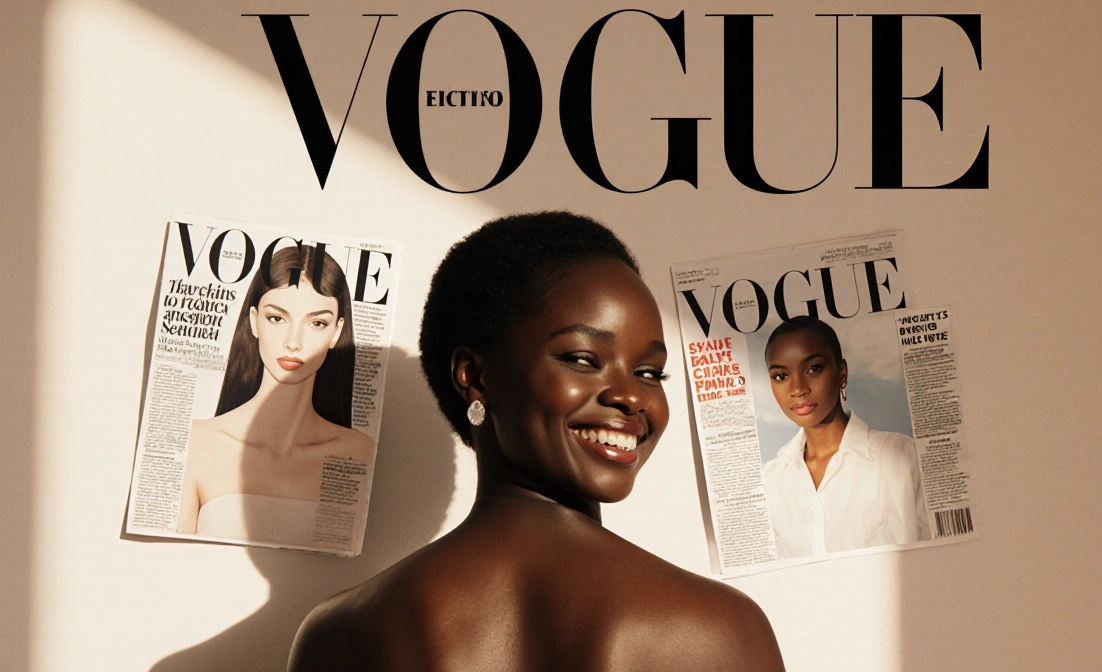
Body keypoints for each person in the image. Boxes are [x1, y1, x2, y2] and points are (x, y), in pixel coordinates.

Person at [287, 212, 785, 671]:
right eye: (583, 359)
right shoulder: (721, 630)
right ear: (475, 377)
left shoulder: (338, 635)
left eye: (650, 372)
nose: (631, 396)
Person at [176, 245, 374, 547]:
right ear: (254, 321)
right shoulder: (197, 443)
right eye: (277, 319)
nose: (293, 342)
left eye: (317, 323)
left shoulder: (359, 453)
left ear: (336, 332)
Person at [761, 317, 930, 559]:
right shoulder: (770, 482)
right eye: (780, 376)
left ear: (842, 373)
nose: (798, 389)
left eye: (813, 369)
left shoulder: (905, 457)